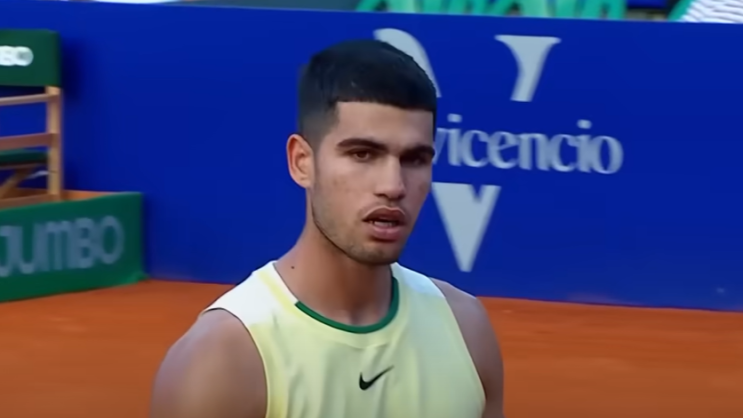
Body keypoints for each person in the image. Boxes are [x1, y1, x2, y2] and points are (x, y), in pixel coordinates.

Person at [148, 39, 505, 418]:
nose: (393, 185)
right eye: (362, 154)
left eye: (415, 159)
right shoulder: (221, 362)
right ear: (302, 162)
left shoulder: (465, 330)